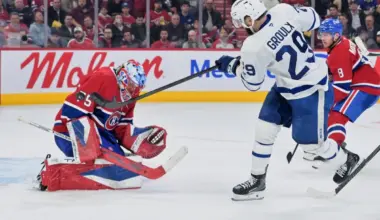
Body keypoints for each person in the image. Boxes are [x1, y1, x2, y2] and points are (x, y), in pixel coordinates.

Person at [215, 0, 357, 201]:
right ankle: (257, 180)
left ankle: (346, 159)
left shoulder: (252, 46)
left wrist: (233, 67)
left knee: (313, 147)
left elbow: (253, 84)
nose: (241, 28)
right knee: (264, 128)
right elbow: (314, 19)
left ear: (249, 19)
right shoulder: (284, 10)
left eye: (241, 22)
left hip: (310, 90)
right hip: (285, 87)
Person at [35, 60, 168, 191]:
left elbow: (121, 128)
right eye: (132, 86)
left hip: (102, 135)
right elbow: (71, 112)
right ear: (123, 78)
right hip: (68, 131)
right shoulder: (102, 78)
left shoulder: (131, 94)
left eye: (137, 87)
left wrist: (138, 140)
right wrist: (88, 143)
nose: (134, 91)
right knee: (95, 162)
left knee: (119, 168)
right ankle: (50, 172)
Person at [313, 18, 380, 176]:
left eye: (327, 34)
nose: (323, 37)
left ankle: (343, 158)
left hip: (365, 88)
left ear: (336, 35)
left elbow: (342, 88)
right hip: (363, 84)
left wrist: (324, 101)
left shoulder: (339, 51)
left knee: (336, 115)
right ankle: (336, 147)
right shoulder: (340, 43)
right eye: (321, 34)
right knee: (333, 114)